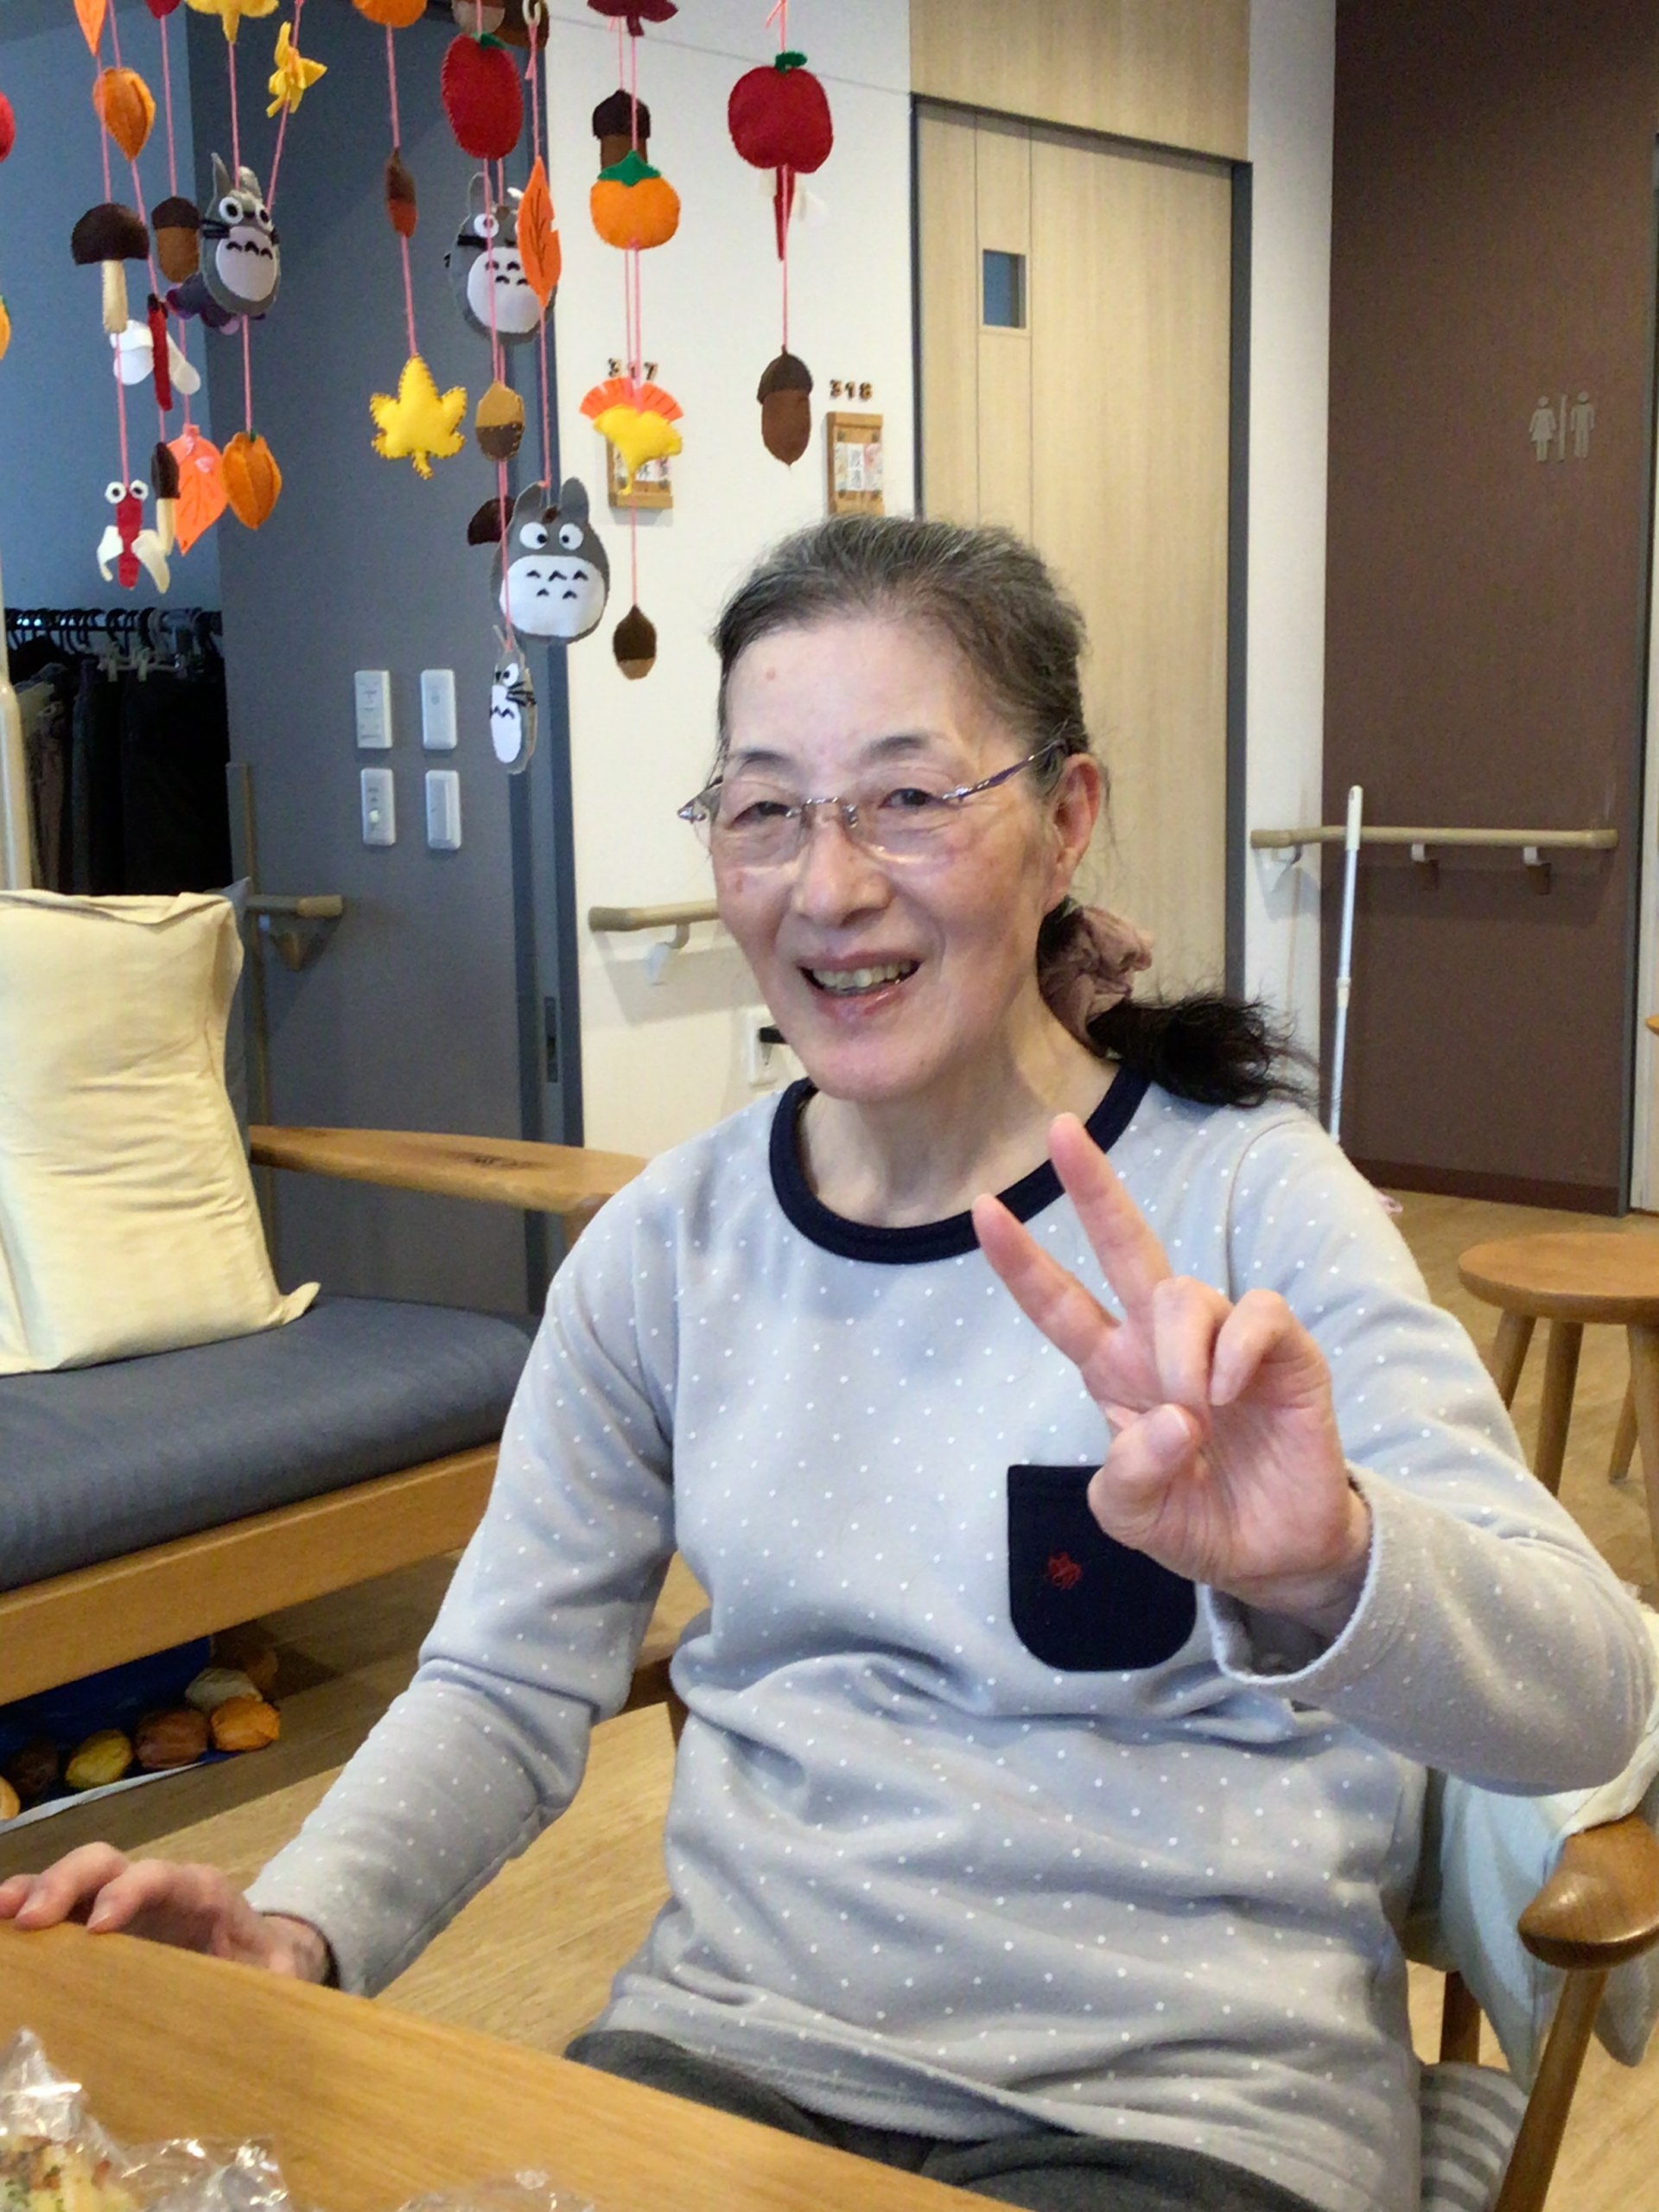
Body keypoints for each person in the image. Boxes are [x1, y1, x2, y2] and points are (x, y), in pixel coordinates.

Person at [3, 518, 1652, 2212]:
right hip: (730, 2062)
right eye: (766, 809)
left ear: (1065, 817)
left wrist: (1333, 1561)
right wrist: (293, 1923)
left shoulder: (1252, 1204)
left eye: (908, 797)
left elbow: (1593, 1692)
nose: (830, 884)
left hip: (1184, 2107)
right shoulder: (667, 1247)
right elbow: (502, 1684)